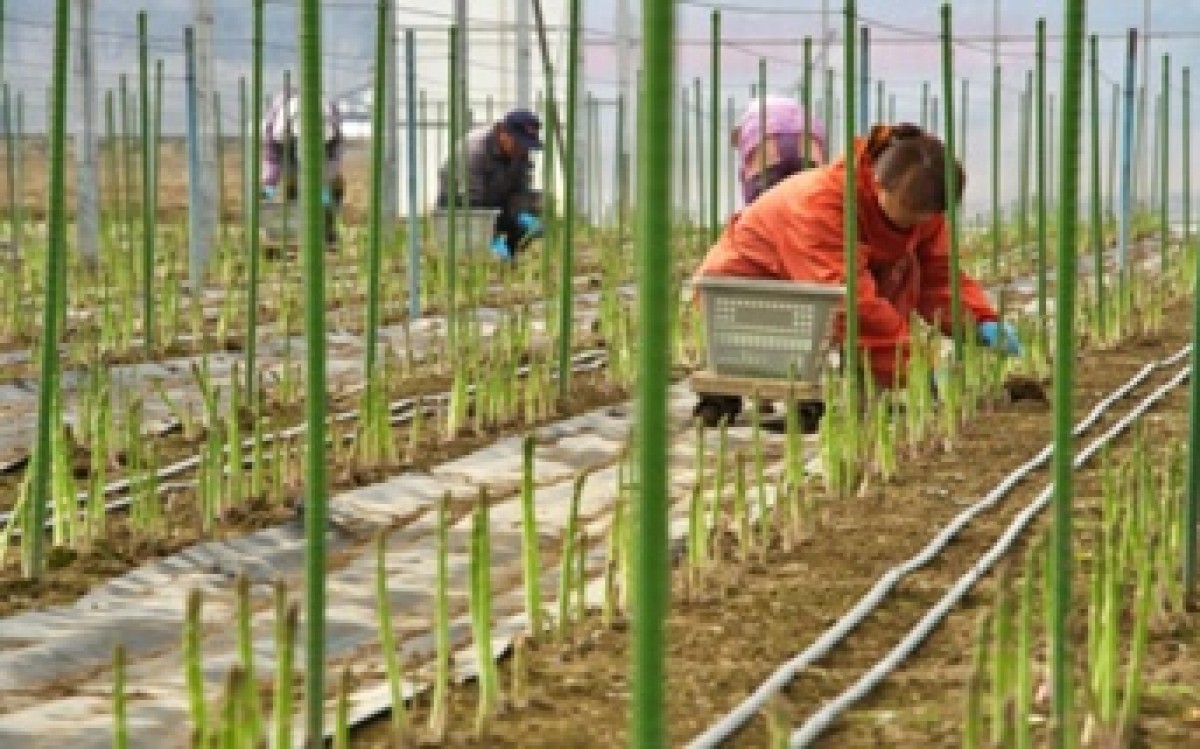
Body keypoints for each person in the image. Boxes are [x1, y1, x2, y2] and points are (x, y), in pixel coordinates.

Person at [696, 122, 1021, 395]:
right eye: (913, 212)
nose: (921, 222)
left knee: (904, 273)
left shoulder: (920, 203)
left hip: (807, 301)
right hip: (748, 295)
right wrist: (917, 367)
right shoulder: (822, 206)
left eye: (930, 215)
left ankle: (873, 379)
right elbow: (848, 300)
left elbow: (938, 274)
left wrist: (979, 322)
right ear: (880, 186)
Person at [436, 108, 544, 260]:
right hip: (462, 207)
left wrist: (522, 213)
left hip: (495, 201)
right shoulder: (474, 151)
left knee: (531, 209)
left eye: (526, 145)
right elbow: (473, 200)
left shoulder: (519, 153)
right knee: (471, 251)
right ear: (502, 132)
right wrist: (492, 236)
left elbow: (521, 188)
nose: (523, 150)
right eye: (519, 143)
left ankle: (510, 263)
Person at [261, 92, 345, 247]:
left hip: (323, 156)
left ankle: (327, 230)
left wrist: (324, 185)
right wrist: (268, 187)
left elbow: (333, 158)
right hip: (288, 151)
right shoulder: (276, 127)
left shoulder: (331, 127)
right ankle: (289, 233)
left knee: (334, 188)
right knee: (291, 187)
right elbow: (272, 159)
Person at [733, 95, 827, 204]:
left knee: (761, 209)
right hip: (808, 153)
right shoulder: (802, 113)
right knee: (811, 205)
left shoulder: (752, 117)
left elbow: (737, 139)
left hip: (769, 154)